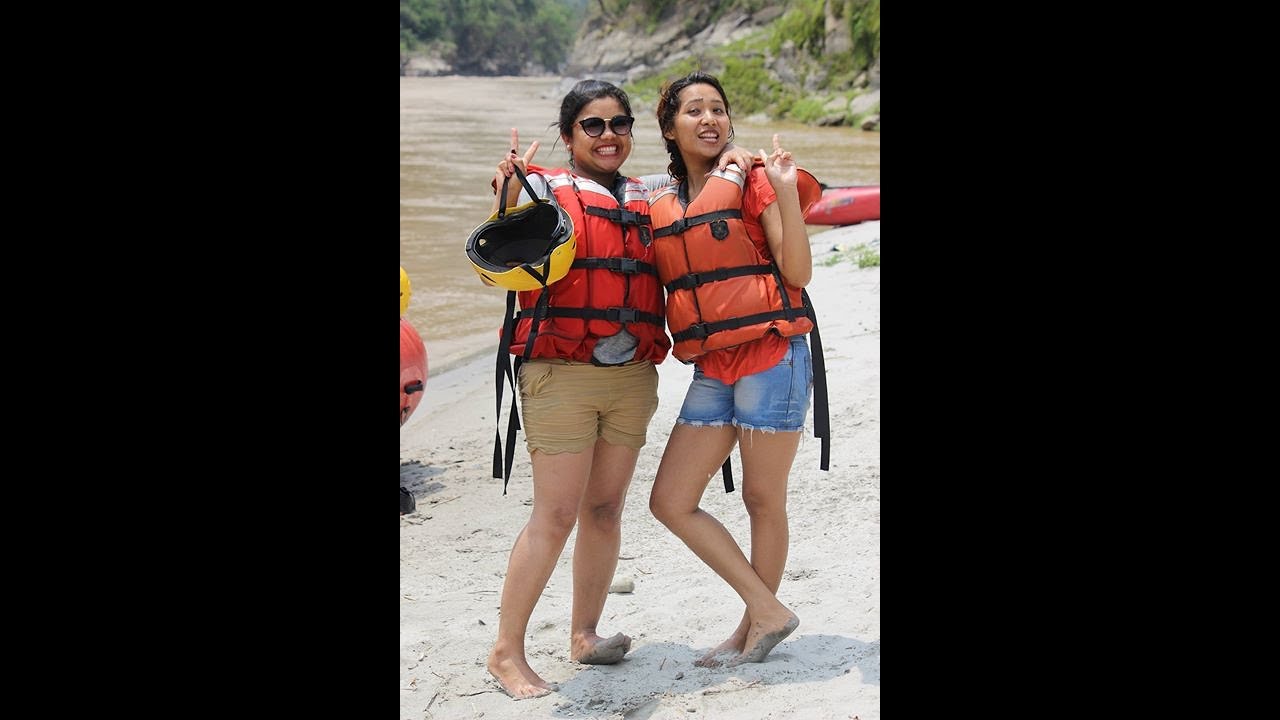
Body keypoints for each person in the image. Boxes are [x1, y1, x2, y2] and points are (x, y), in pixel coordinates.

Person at [479, 79, 755, 699]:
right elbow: (503, 242)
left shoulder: (648, 194)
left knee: (603, 510)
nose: (609, 136)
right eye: (593, 126)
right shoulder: (541, 187)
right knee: (553, 514)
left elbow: (703, 184)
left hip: (632, 376)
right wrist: (506, 189)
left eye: (619, 125)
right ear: (570, 135)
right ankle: (505, 651)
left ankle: (584, 633)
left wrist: (737, 158)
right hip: (561, 373)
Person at [646, 71, 823, 668]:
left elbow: (797, 272)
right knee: (671, 500)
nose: (709, 120)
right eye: (693, 110)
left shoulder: (753, 183)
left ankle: (753, 627)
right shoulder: (662, 202)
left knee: (760, 497)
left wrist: (786, 194)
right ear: (670, 128)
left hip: (774, 354)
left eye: (718, 109)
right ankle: (767, 610)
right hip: (714, 368)